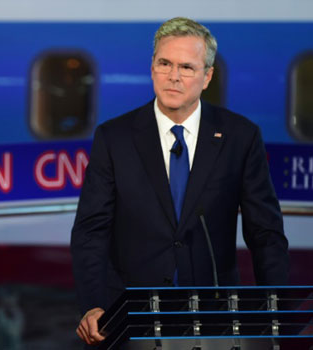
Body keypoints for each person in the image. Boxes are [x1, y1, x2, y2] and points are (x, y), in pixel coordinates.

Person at [70, 17, 289, 347]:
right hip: (129, 319)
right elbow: (91, 230)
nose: (173, 76)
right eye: (164, 63)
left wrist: (276, 313)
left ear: (207, 77)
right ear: (152, 68)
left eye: (186, 67)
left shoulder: (240, 137)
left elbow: (265, 233)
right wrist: (93, 304)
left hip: (213, 319)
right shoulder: (114, 138)